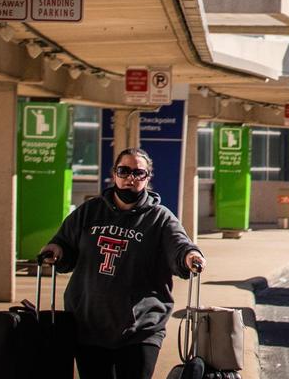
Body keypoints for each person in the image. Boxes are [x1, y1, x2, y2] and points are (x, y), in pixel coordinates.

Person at [39, 148, 204, 379]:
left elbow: (180, 246)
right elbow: (63, 244)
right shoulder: (90, 211)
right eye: (124, 171)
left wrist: (191, 257)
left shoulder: (160, 218)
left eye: (139, 173)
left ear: (148, 178)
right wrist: (55, 251)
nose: (130, 178)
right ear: (114, 174)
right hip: (89, 325)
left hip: (141, 329)